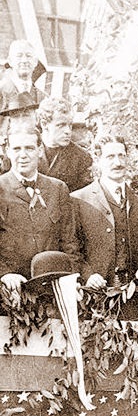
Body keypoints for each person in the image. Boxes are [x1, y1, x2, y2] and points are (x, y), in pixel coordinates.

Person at [0, 121, 80, 302]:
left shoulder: (57, 189)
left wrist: (73, 278)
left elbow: (69, 242)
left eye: (29, 148)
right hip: (10, 291)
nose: (23, 155)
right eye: (16, 148)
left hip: (53, 291)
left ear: (39, 150)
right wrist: (4, 274)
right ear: (7, 151)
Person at [72, 135, 138, 287]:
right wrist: (88, 276)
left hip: (135, 294)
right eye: (110, 157)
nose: (117, 163)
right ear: (98, 161)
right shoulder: (79, 200)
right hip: (96, 292)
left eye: (121, 156)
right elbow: (70, 248)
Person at [37, 97, 93, 192]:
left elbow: (83, 197)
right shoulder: (27, 149)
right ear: (44, 124)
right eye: (61, 125)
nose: (68, 131)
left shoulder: (81, 157)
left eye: (70, 125)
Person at [0, 41, 45, 115]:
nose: (24, 60)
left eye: (29, 56)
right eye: (19, 56)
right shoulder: (1, 92)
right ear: (10, 61)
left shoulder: (43, 98)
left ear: (35, 61)